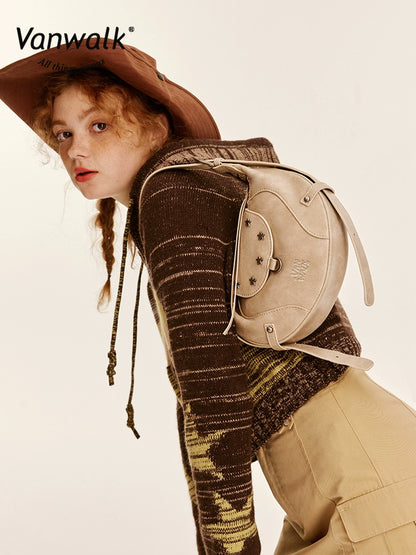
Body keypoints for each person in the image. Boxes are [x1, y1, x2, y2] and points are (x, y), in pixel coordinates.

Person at [1, 40, 416, 555]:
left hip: (361, 485)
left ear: (155, 127)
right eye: (63, 133)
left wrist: (227, 546)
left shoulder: (170, 194)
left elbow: (212, 390)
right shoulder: (194, 186)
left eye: (99, 125)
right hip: (360, 470)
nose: (74, 150)